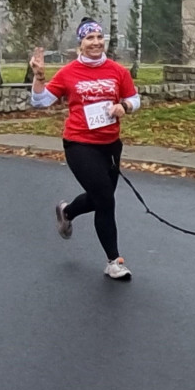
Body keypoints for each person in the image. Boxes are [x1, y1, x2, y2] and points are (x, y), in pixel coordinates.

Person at [29, 17, 141, 279]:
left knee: (98, 198)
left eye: (99, 37)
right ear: (80, 43)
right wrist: (39, 78)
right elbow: (40, 101)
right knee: (105, 198)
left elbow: (134, 98)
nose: (96, 42)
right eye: (89, 38)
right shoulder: (69, 73)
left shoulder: (118, 71)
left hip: (110, 145)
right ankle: (114, 261)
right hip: (79, 144)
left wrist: (123, 107)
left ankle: (67, 212)